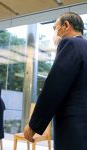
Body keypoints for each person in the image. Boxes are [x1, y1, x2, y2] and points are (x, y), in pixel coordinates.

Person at [24, 12, 87, 150]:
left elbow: (54, 87)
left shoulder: (70, 43)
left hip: (73, 129)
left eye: (55, 28)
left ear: (66, 26)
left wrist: (34, 125)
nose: (54, 32)